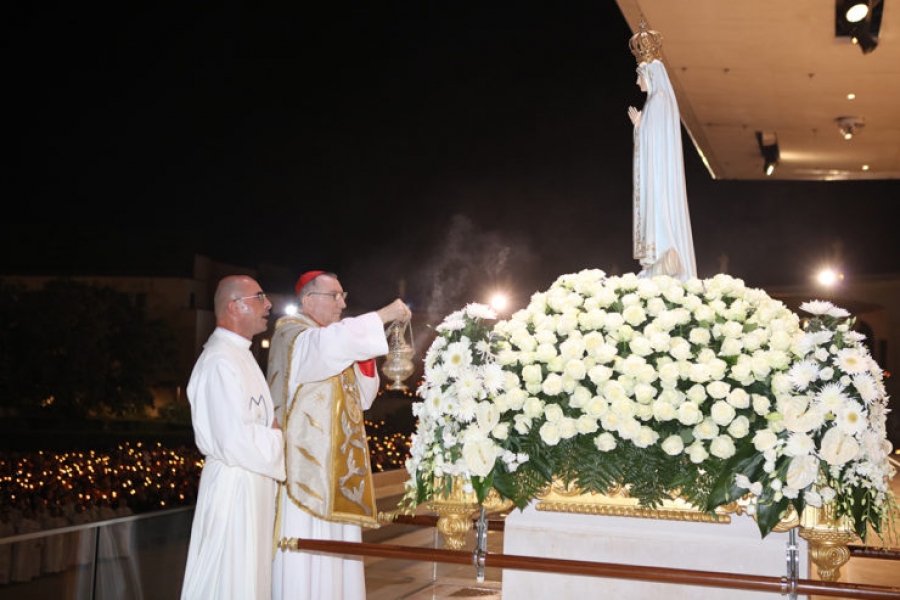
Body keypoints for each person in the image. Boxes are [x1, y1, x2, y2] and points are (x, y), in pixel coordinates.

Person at [268, 270, 411, 600]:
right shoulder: (293, 336)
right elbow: (330, 346)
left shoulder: (329, 341)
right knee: (307, 558)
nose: (342, 303)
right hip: (305, 475)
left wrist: (367, 353)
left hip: (339, 471)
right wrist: (382, 316)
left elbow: (363, 398)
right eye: (335, 296)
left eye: (343, 296)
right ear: (308, 300)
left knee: (339, 561)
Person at [180, 275, 286, 600]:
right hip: (234, 488)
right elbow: (233, 440)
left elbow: (260, 426)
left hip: (251, 484)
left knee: (250, 581)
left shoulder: (242, 355)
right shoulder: (219, 361)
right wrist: (277, 437)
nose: (268, 304)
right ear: (234, 306)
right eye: (259, 297)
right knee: (228, 581)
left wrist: (271, 432)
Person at [628, 23, 697, 282]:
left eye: (639, 76)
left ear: (650, 75)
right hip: (659, 170)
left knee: (659, 211)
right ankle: (658, 263)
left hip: (656, 174)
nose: (637, 82)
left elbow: (653, 140)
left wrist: (639, 128)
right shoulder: (660, 101)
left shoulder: (657, 102)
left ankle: (662, 260)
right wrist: (640, 127)